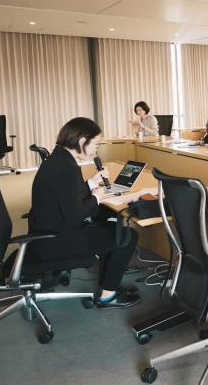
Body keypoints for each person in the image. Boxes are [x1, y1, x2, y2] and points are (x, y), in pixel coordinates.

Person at [28, 117, 140, 309]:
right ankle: (108, 297)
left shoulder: (58, 159)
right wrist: (96, 197)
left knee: (111, 224)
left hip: (46, 233)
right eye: (95, 144)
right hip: (55, 240)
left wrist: (91, 183)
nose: (97, 149)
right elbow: (74, 216)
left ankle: (107, 285)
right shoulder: (67, 168)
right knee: (127, 237)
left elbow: (65, 197)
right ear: (82, 141)